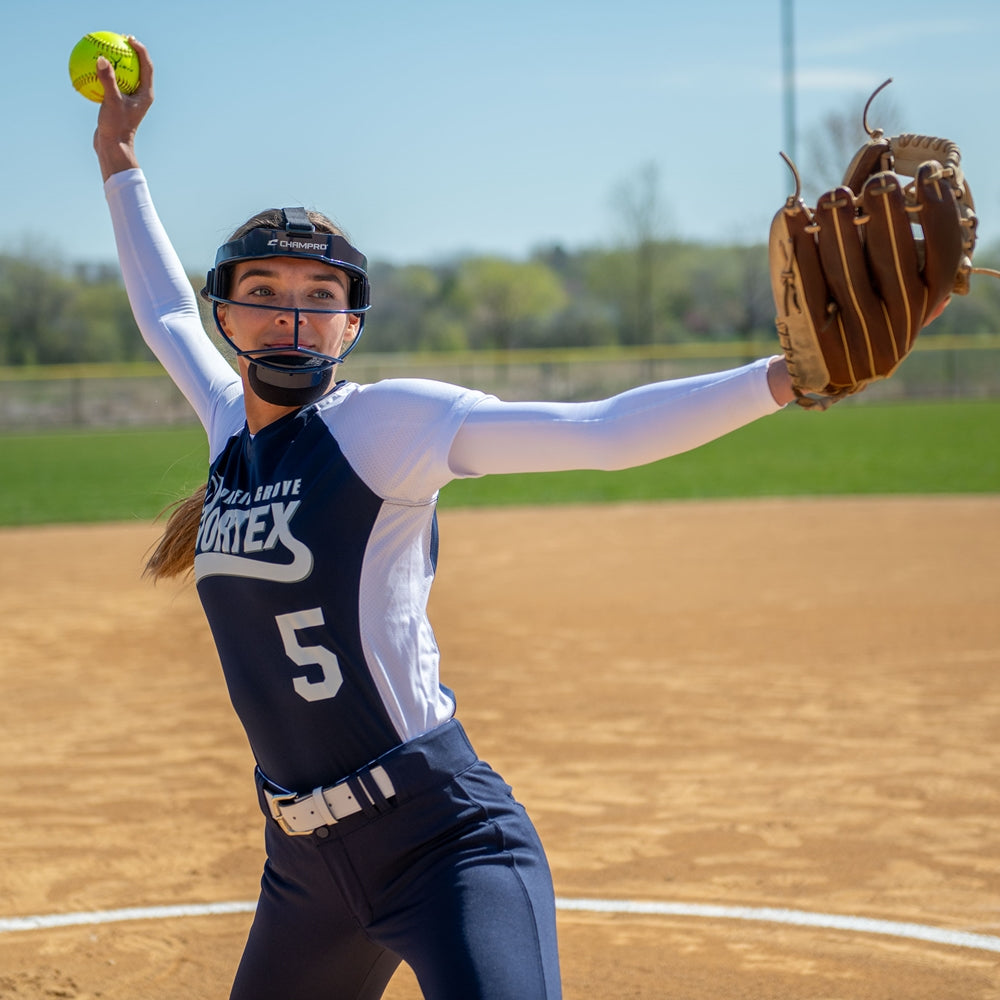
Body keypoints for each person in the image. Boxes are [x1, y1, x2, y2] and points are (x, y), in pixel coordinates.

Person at [92, 40, 796, 1000]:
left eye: (319, 297)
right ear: (229, 315)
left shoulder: (386, 426)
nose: (290, 317)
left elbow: (603, 431)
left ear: (352, 324)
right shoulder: (227, 429)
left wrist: (783, 381)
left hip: (443, 842)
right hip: (303, 869)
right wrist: (119, 158)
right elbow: (160, 308)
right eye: (262, 295)